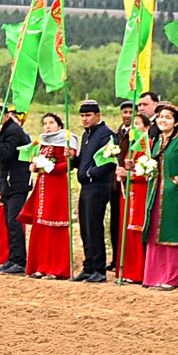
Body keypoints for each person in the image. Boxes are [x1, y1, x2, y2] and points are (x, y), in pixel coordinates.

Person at [141, 103, 178, 290]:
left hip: (174, 195)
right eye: (160, 117)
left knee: (172, 231)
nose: (163, 120)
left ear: (176, 122)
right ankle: (154, 276)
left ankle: (172, 277)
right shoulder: (157, 141)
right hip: (155, 193)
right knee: (155, 232)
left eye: (168, 117)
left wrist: (177, 181)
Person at [19, 112, 72, 279]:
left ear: (59, 126)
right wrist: (35, 166)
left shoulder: (64, 143)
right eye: (45, 123)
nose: (48, 126)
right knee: (40, 227)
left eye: (51, 123)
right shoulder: (43, 144)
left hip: (56, 189)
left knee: (53, 227)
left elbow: (67, 165)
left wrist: (49, 167)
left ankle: (56, 268)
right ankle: (40, 266)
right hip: (42, 188)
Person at [71, 100, 115, 282]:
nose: (84, 119)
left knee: (94, 226)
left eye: (88, 115)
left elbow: (109, 161)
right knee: (85, 227)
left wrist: (90, 173)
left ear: (98, 116)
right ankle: (88, 266)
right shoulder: (86, 135)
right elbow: (84, 159)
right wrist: (73, 159)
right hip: (85, 185)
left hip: (98, 186)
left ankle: (99, 268)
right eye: (82, 116)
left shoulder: (106, 135)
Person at [0, 103, 30, 274]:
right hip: (8, 183)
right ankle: (13, 258)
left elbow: (4, 156)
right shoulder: (4, 131)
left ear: (6, 115)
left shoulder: (13, 131)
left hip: (17, 183)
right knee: (9, 222)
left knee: (14, 222)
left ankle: (19, 261)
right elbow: (1, 165)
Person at [113, 113, 151, 284]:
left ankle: (139, 272)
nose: (134, 127)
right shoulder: (132, 147)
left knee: (137, 231)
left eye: (138, 123)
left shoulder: (149, 145)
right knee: (126, 232)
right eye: (133, 124)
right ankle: (127, 271)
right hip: (128, 194)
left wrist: (129, 174)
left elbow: (149, 172)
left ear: (147, 128)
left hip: (141, 192)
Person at [109, 100, 135, 271]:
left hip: (131, 184)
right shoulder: (117, 134)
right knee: (115, 223)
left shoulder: (138, 135)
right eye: (125, 112)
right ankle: (116, 258)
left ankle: (126, 260)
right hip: (115, 184)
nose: (127, 116)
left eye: (131, 112)